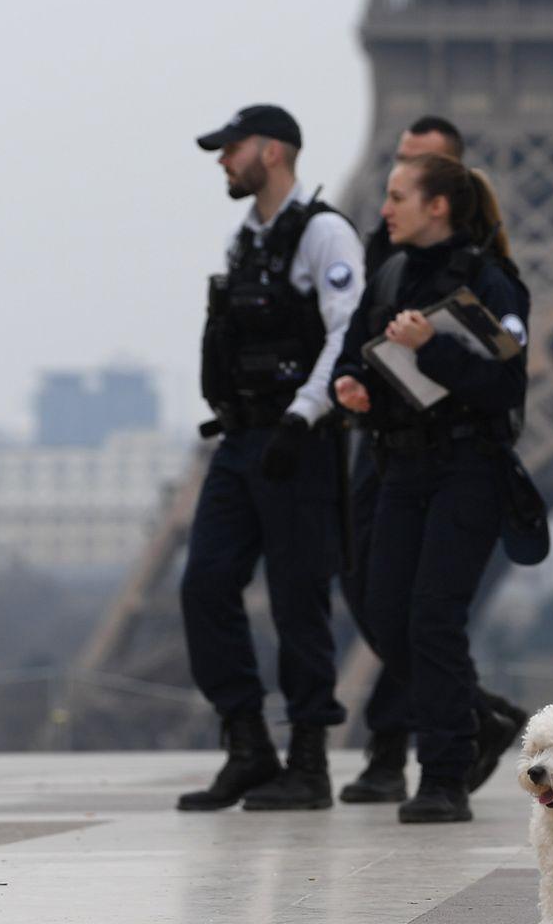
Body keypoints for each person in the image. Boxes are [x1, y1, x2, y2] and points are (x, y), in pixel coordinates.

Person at [334, 116, 529, 805]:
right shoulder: (388, 274)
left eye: (397, 198)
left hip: (466, 470)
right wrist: (356, 389)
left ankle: (443, 773)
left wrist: (432, 348)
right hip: (400, 467)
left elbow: (505, 386)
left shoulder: (491, 281)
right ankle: (475, 719)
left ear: (437, 205)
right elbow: (363, 352)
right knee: (386, 615)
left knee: (432, 618)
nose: (382, 210)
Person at [178, 104, 363, 812]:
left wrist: (302, 417)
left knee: (298, 600)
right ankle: (249, 743)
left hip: (297, 440)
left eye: (232, 148)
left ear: (274, 151)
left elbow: (346, 335)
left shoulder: (324, 234)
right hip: (240, 438)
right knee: (204, 584)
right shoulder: (245, 241)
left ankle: (309, 761)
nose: (223, 160)